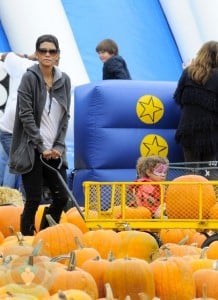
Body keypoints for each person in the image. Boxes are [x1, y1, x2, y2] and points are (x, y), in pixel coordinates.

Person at [9, 34, 71, 235]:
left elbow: (65, 117)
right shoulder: (29, 78)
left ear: (57, 55)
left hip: (55, 150)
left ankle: (45, 234)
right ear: (36, 54)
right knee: (34, 198)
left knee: (61, 197)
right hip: (32, 148)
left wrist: (59, 147)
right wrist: (41, 146)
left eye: (51, 51)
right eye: (43, 50)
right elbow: (25, 115)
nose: (47, 54)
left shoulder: (64, 80)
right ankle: (26, 242)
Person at [174, 41, 218, 178]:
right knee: (210, 171)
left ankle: (190, 199)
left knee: (191, 172)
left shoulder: (188, 73)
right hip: (212, 133)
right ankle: (213, 199)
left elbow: (178, 98)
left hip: (188, 131)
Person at [0, 52, 37, 191]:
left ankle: (6, 195)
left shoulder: (19, 63)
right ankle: (9, 195)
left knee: (6, 159)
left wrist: (27, 55)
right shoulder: (37, 73)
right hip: (11, 127)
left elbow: (5, 55)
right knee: (16, 161)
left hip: (7, 125)